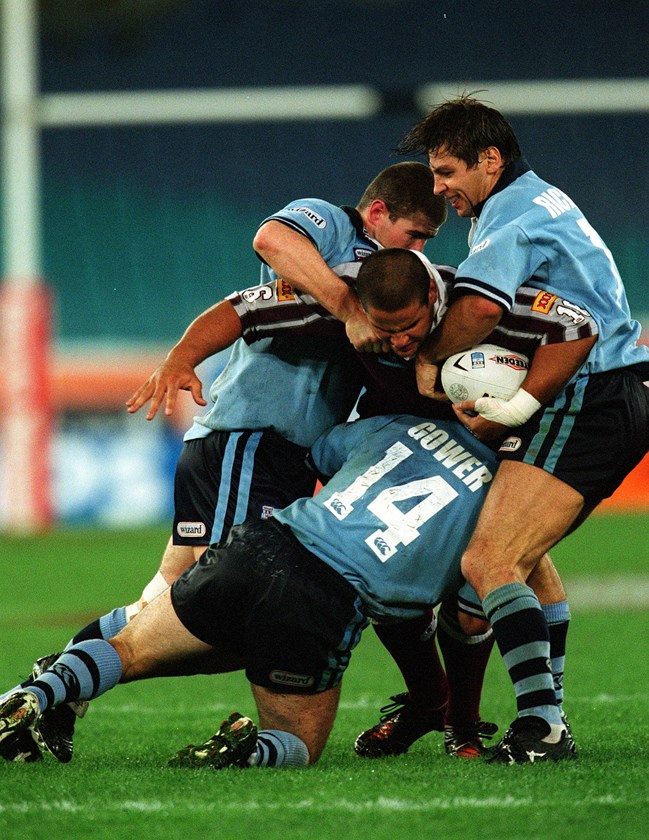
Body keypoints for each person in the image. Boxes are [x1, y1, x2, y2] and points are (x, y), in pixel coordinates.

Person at [18, 162, 445, 764]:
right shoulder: (330, 229)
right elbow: (270, 242)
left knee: (168, 600)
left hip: (263, 450)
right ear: (377, 214)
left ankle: (51, 691)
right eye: (417, 234)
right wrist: (347, 306)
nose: (422, 249)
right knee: (234, 608)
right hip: (251, 444)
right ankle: (52, 688)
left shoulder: (384, 284)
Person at [0, 411, 528, 770]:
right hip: (326, 599)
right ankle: (247, 751)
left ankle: (35, 692)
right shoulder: (507, 498)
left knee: (130, 647)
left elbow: (324, 453)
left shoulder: (408, 424)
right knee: (300, 743)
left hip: (260, 544)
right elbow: (469, 615)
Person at [396, 94, 649, 763]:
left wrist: (424, 360)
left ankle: (542, 727)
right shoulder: (542, 199)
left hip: (587, 395)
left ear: (490, 159)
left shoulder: (507, 217)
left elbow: (478, 310)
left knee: (487, 561)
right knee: (525, 565)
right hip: (608, 388)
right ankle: (544, 720)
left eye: (448, 170)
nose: (439, 187)